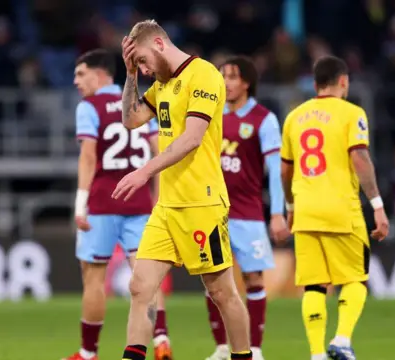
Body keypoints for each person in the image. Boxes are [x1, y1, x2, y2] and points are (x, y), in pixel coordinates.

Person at [113, 19, 253, 360]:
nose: (145, 69)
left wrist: (144, 171)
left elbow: (192, 139)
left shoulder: (204, 75)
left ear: (160, 44)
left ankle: (244, 356)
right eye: (139, 65)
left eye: (143, 60)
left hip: (201, 203)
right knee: (140, 287)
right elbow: (130, 120)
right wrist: (130, 73)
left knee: (222, 292)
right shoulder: (162, 85)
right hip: (167, 206)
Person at [279, 55, 389, 360]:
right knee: (355, 280)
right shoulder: (352, 113)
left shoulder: (294, 117)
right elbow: (360, 159)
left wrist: (290, 206)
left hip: (305, 210)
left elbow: (284, 171)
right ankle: (341, 340)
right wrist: (377, 205)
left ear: (315, 84)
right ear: (343, 81)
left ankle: (316, 353)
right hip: (342, 208)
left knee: (314, 286)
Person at [68, 48, 172, 360]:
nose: (76, 81)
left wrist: (80, 203)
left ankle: (88, 353)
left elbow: (88, 155)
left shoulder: (90, 106)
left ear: (100, 74)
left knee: (94, 278)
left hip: (101, 203)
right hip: (139, 202)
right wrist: (158, 197)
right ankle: (161, 340)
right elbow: (158, 151)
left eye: (80, 74)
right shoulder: (139, 104)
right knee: (147, 278)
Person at [204, 56, 290, 360]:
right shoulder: (211, 115)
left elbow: (276, 169)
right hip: (213, 210)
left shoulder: (264, 119)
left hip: (249, 213)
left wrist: (278, 212)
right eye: (222, 76)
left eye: (231, 76)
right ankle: (220, 348)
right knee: (213, 280)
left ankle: (254, 348)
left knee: (253, 279)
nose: (225, 82)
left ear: (247, 82)